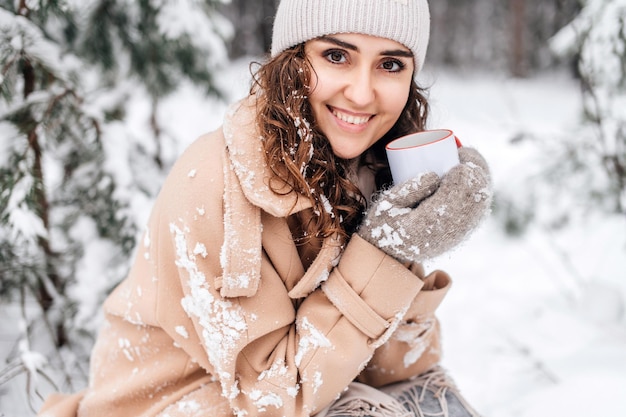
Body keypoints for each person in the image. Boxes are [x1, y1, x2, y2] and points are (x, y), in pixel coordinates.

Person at [38, 0, 492, 416]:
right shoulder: (216, 181)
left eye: (390, 64)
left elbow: (396, 369)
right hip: (177, 402)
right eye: (336, 56)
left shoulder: (366, 166)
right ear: (292, 61)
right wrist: (383, 253)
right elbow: (274, 398)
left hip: (297, 392)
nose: (361, 93)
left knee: (435, 401)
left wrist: (410, 233)